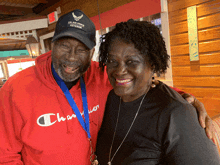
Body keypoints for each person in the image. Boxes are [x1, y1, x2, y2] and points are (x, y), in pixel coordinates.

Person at [0, 9, 214, 165]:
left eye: (81, 49)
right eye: (64, 45)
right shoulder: (15, 90)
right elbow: (5, 156)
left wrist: (188, 100)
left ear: (92, 53)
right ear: (52, 45)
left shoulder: (100, 74)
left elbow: (142, 83)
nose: (72, 58)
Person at [96, 19, 220, 165]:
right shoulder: (111, 99)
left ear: (153, 64)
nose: (119, 70)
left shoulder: (177, 114)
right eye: (112, 61)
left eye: (132, 61)